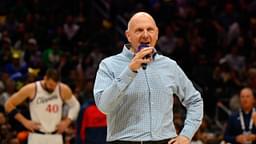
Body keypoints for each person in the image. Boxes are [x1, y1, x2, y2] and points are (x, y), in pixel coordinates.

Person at [93, 12, 204, 144]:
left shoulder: (169, 66)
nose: (145, 35)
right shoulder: (109, 65)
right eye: (139, 30)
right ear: (128, 35)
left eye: (149, 30)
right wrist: (130, 70)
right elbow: (103, 106)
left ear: (156, 34)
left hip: (164, 140)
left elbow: (195, 101)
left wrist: (186, 135)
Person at [4, 68, 80, 144]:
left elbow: (75, 105)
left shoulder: (62, 89)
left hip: (56, 136)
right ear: (45, 78)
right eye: (50, 84)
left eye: (55, 85)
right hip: (37, 136)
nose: (52, 88)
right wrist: (25, 122)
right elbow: (8, 104)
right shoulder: (32, 88)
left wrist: (67, 122)